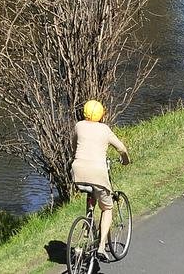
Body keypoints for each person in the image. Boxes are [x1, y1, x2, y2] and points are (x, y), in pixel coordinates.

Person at [73, 100, 130, 256]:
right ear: (101, 114)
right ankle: (102, 246)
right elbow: (121, 148)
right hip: (97, 172)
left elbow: (74, 145)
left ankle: (87, 229)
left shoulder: (79, 126)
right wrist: (125, 160)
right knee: (107, 208)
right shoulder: (104, 129)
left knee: (91, 193)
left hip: (77, 171)